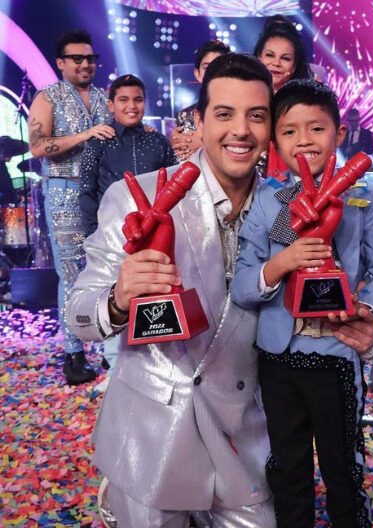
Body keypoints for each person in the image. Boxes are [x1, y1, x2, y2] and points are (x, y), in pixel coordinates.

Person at [66, 53, 278, 525]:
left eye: (256, 116)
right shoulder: (137, 196)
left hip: (243, 435)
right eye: (224, 114)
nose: (240, 130)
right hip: (150, 436)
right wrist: (118, 299)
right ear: (198, 122)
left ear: (270, 127)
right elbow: (78, 316)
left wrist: (356, 329)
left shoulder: (285, 209)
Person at [231, 78, 373, 527]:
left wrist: (365, 305)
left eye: (317, 128)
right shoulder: (267, 202)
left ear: (339, 133)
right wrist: (281, 263)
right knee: (287, 468)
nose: (304, 140)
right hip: (278, 359)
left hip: (336, 356)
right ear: (275, 141)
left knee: (343, 467)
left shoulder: (361, 198)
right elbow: (242, 286)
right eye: (290, 131)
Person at [77, 73, 177, 381]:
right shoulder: (99, 142)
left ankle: (154, 363)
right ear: (111, 104)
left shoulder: (156, 140)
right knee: (116, 294)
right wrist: (94, 234)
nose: (131, 106)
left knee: (152, 293)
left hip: (154, 235)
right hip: (114, 235)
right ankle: (114, 368)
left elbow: (172, 186)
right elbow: (86, 191)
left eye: (138, 100)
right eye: (123, 100)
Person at [28, 29, 113, 386]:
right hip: (65, 191)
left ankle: (112, 350)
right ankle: (73, 353)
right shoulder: (48, 96)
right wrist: (85, 135)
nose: (85, 64)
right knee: (72, 273)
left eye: (90, 58)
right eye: (77, 58)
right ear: (61, 63)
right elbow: (37, 147)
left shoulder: (106, 98)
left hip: (105, 194)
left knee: (109, 269)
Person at [254, 14, 314, 182]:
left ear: (294, 66)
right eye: (270, 55)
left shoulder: (306, 101)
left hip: (291, 176)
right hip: (248, 174)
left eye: (285, 58)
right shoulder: (245, 95)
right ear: (259, 57)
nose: (276, 63)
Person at [169, 39, 230, 161]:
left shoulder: (239, 109)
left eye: (219, 66)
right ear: (197, 74)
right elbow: (182, 158)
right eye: (207, 68)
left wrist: (204, 147)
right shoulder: (185, 116)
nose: (213, 72)